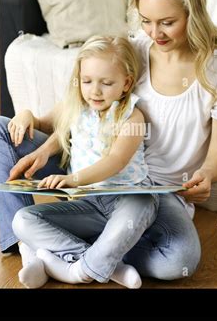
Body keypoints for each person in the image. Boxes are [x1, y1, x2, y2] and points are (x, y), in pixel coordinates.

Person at [0, 0, 217, 286]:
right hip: (91, 166)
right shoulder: (135, 50)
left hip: (151, 191)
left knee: (179, 260)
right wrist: (32, 119)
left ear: (193, 14)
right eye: (146, 20)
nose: (154, 32)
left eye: (167, 22)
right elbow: (80, 104)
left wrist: (207, 175)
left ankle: (63, 250)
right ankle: (28, 248)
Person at [8, 35, 159, 289]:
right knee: (22, 221)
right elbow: (52, 127)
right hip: (88, 203)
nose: (94, 91)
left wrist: (71, 180)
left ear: (126, 83)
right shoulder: (76, 107)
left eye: (106, 83)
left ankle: (74, 270)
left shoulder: (133, 116)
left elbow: (116, 160)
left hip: (129, 197)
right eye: (87, 81)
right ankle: (109, 266)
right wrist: (25, 114)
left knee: (134, 213)